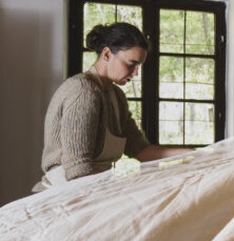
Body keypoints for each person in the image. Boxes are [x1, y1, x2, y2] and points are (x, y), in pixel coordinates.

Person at [35, 22, 192, 190]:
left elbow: (140, 150)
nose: (136, 73)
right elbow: (78, 170)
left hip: (95, 186)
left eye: (139, 66)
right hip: (66, 193)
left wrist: (192, 153)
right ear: (107, 54)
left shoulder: (116, 96)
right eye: (131, 64)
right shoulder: (82, 92)